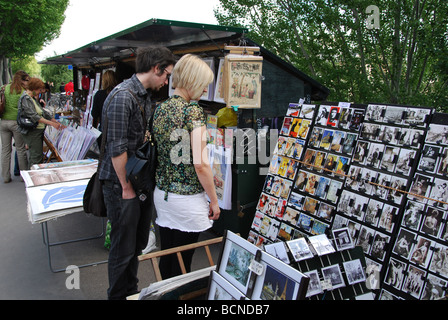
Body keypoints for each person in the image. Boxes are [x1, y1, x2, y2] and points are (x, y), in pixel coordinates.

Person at [98, 46, 176, 300]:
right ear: (156, 68)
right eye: (167, 75)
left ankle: (130, 291)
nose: (167, 81)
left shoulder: (141, 95)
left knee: (136, 243)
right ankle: (119, 295)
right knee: (122, 248)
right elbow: (117, 148)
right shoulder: (124, 96)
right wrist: (126, 188)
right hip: (122, 185)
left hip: (136, 182)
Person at [153, 54, 221, 280]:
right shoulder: (192, 112)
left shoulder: (161, 108)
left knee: (168, 256)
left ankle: (164, 296)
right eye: (203, 85)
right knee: (184, 264)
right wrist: (214, 200)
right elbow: (200, 164)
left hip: (163, 194)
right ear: (193, 81)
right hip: (187, 199)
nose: (204, 91)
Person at [18, 77, 65, 169]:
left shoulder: (31, 98)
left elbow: (42, 112)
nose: (41, 92)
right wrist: (51, 123)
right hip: (32, 131)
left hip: (37, 131)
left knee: (37, 156)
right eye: (40, 89)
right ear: (34, 88)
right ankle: (33, 176)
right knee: (36, 156)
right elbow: (35, 116)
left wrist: (53, 120)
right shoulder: (26, 99)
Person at [0, 70, 30, 183]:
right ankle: (23, 176)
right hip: (16, 123)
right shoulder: (22, 91)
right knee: (20, 149)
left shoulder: (5, 88)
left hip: (3, 122)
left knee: (5, 150)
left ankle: (6, 176)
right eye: (26, 80)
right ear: (22, 80)